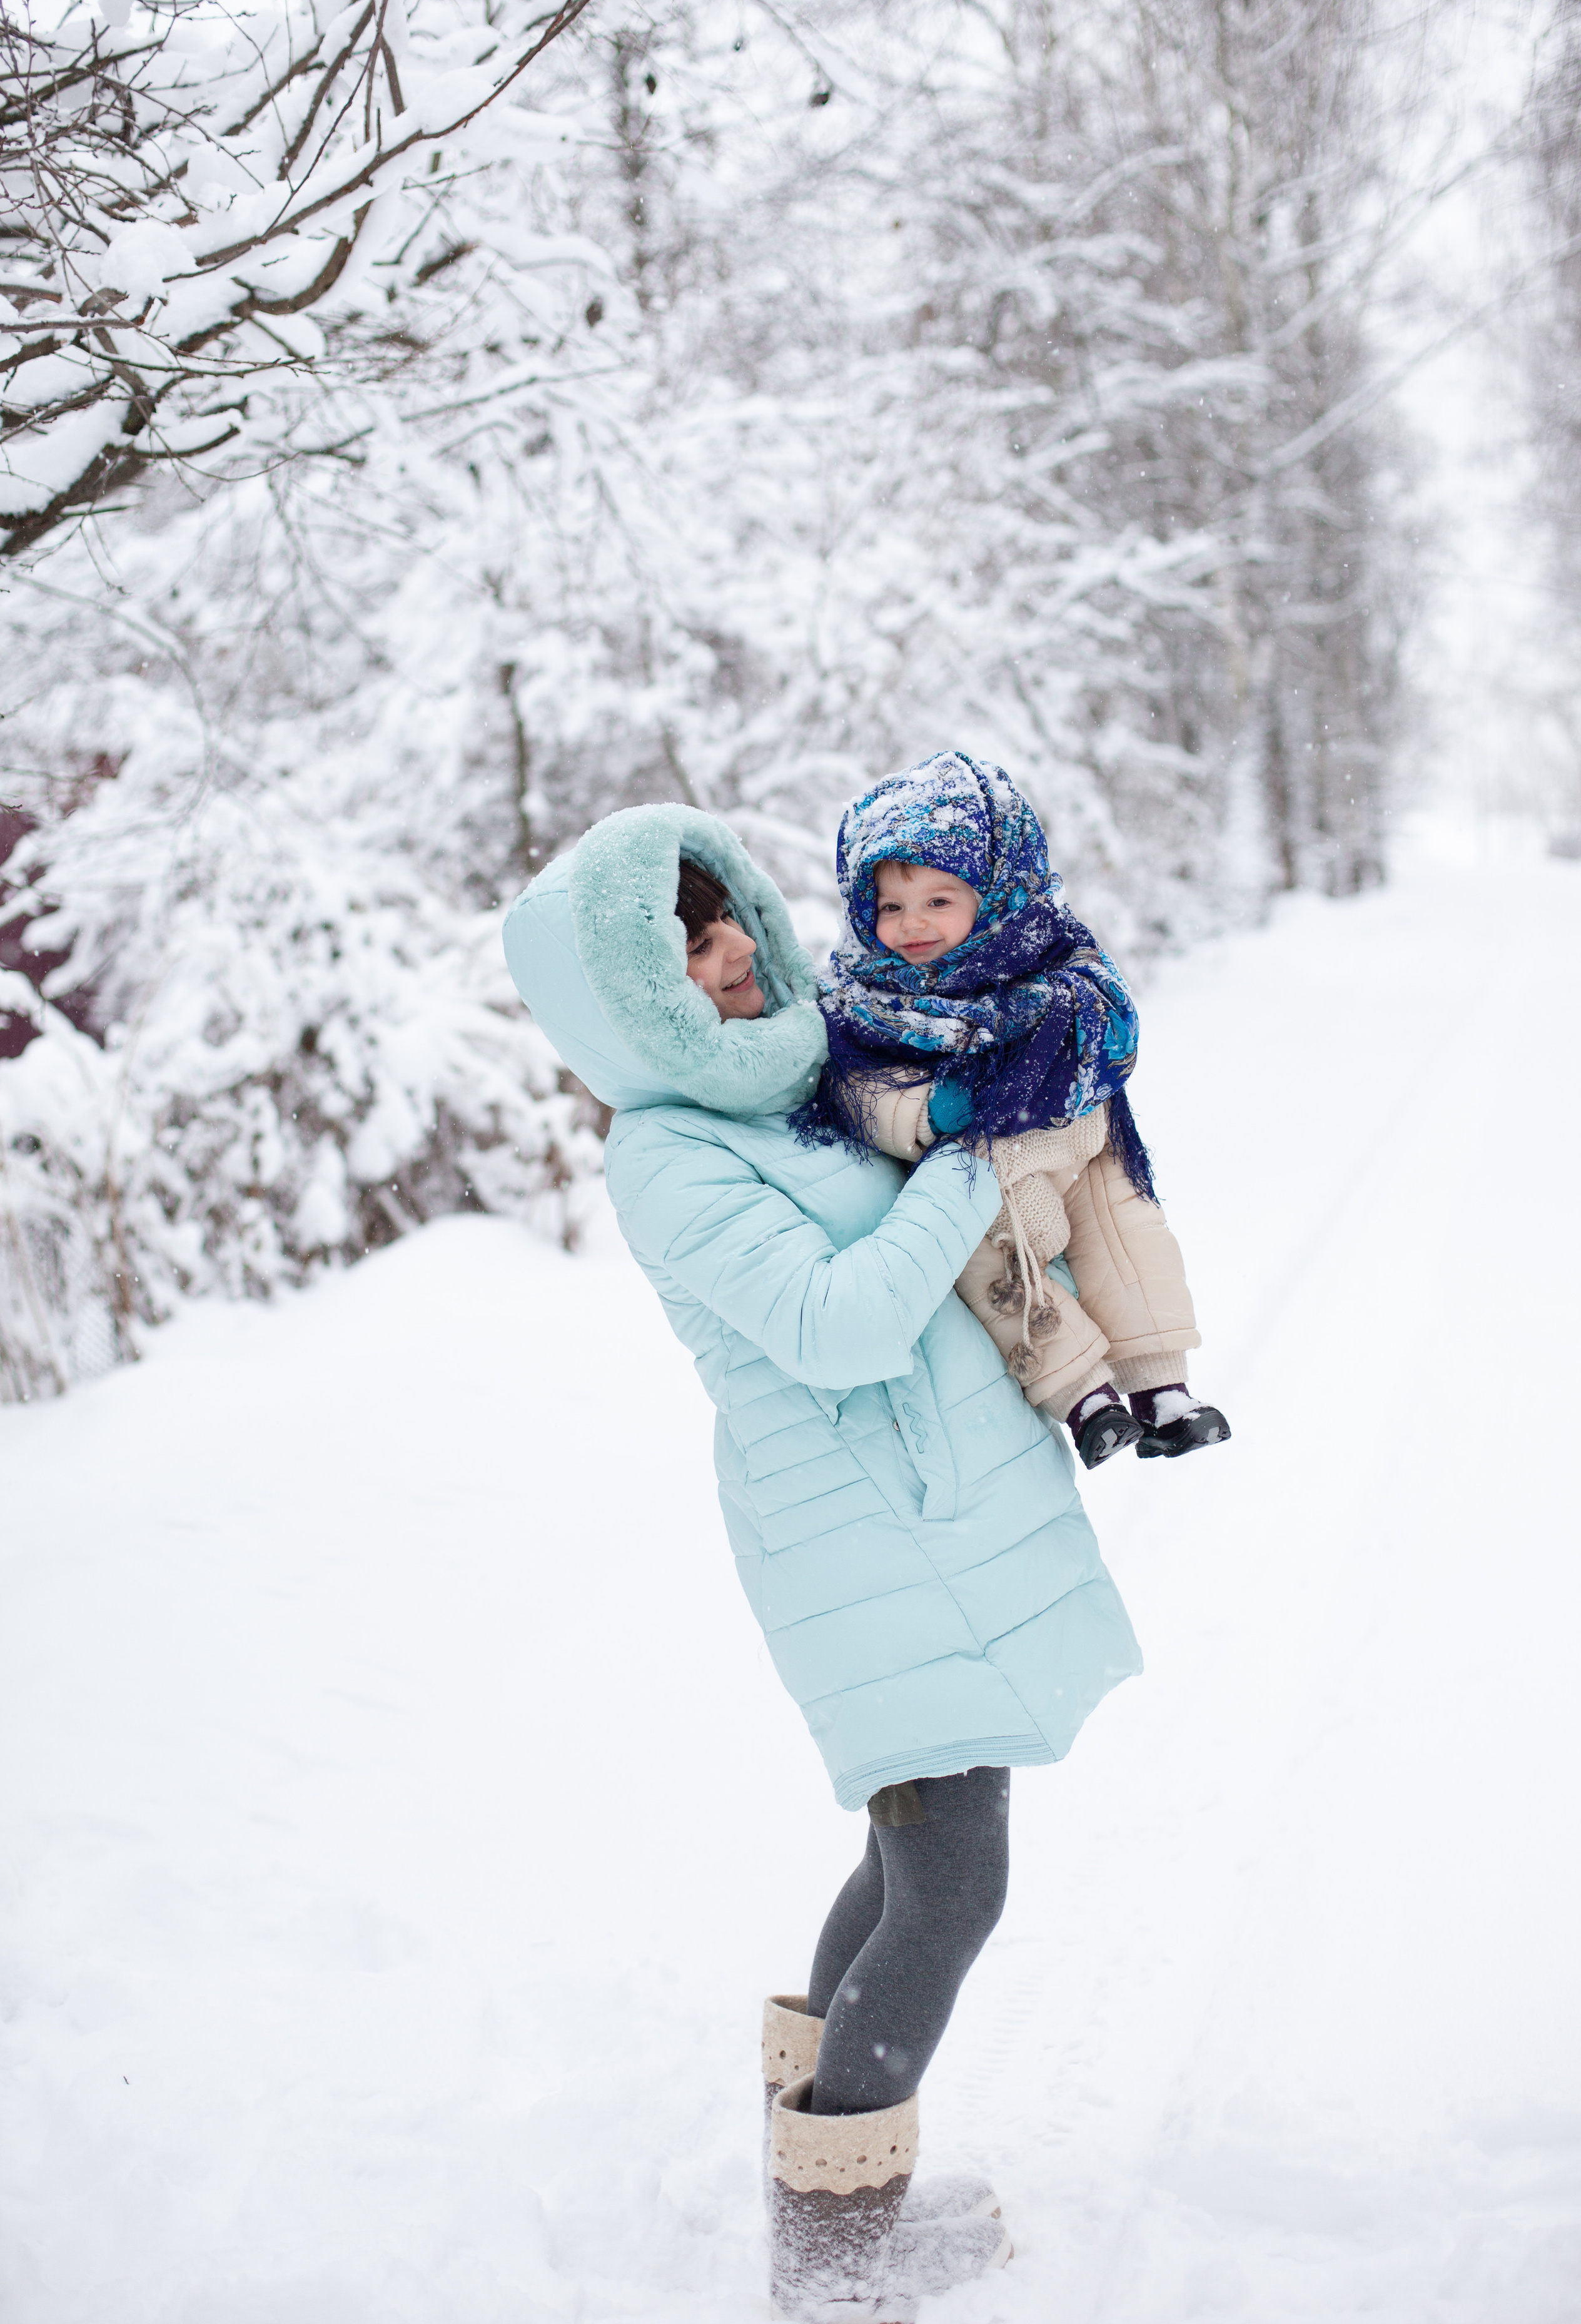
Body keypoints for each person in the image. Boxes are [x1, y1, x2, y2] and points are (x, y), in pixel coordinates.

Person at [502, 802, 1142, 2321]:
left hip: (910, 1519)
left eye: (727, 927)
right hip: (865, 1533)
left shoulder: (790, 1086)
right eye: (683, 954)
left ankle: (820, 2195)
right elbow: (836, 1325)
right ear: (625, 1002)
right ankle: (839, 2256)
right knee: (950, 1881)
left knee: (905, 1849)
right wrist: (968, 1172)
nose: (727, 961)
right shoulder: (665, 1153)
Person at [790, 750, 1231, 1473]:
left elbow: (1110, 1030)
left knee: (1126, 1228)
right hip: (982, 1162)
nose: (912, 926)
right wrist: (932, 1109)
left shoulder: (1046, 959)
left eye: (939, 900)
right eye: (891, 907)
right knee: (993, 1257)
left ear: (993, 891)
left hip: (1078, 1132)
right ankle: (1083, 1397)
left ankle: (1162, 1386)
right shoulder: (860, 1000)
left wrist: (1055, 1073)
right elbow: (857, 1094)